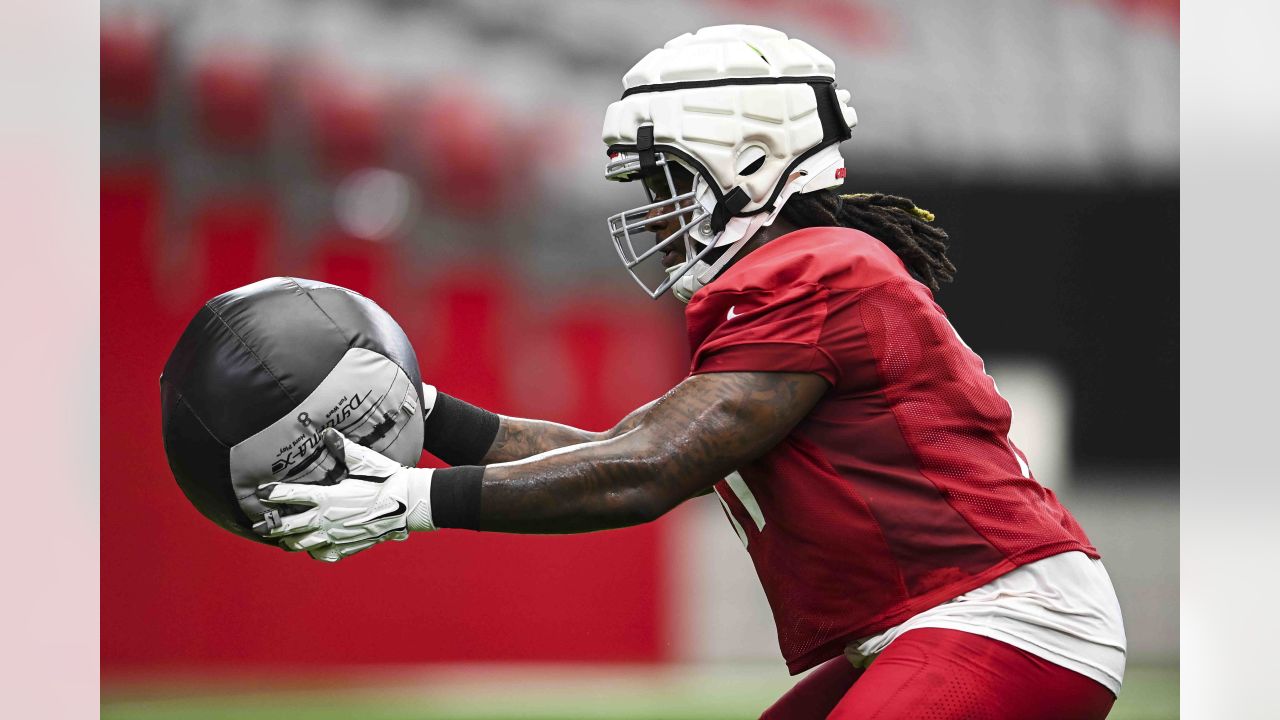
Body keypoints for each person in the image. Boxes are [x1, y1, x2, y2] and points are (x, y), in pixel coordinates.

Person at [254, 25, 1126, 719]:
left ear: (748, 157)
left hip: (1005, 621)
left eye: (669, 176)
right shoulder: (803, 272)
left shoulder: (817, 269)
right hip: (936, 620)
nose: (654, 209)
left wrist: (414, 504)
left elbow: (646, 472)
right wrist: (428, 414)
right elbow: (618, 450)